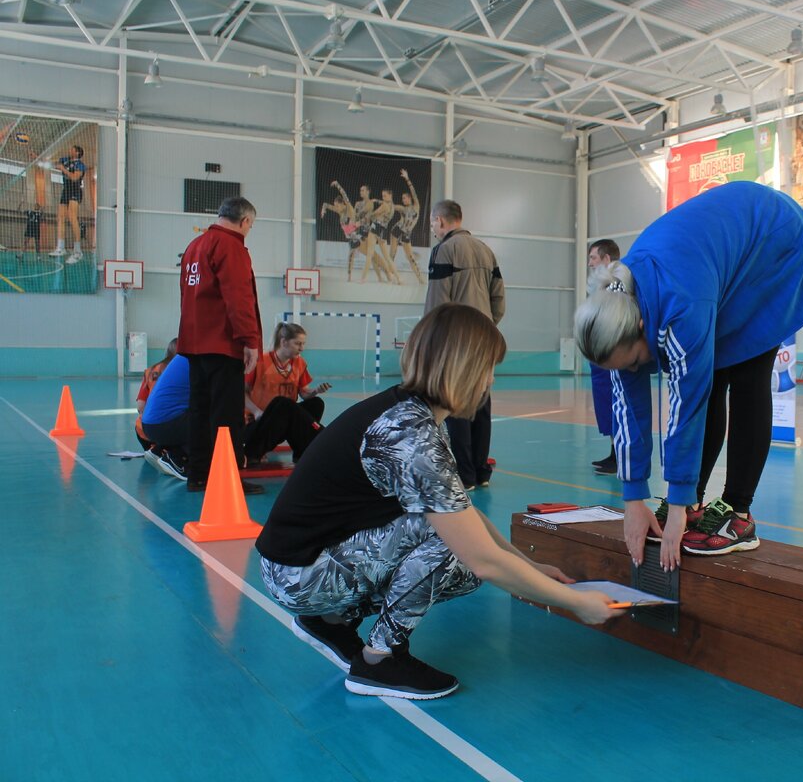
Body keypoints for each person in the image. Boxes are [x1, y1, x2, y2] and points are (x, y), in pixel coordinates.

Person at [256, 303, 619, 700]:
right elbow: (481, 556)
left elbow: (467, 515)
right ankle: (379, 659)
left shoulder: (413, 415)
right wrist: (576, 604)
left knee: (459, 553)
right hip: (298, 575)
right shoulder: (410, 435)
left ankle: (330, 619)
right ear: (463, 369)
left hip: (306, 559)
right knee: (457, 551)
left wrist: (531, 566)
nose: (490, 382)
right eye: (487, 369)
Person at [574, 182, 803, 572]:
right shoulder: (617, 306)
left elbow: (687, 404)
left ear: (642, 325)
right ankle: (694, 499)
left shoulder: (681, 305)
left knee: (746, 371)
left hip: (773, 242)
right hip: (717, 254)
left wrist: (675, 505)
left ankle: (739, 510)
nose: (634, 372)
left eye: (634, 363)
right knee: (712, 376)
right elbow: (627, 406)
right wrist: (633, 499)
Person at [178, 196, 265, 496]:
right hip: (223, 344)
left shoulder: (194, 247)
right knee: (227, 416)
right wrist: (249, 340)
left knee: (200, 411)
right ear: (244, 221)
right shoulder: (231, 247)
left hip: (193, 342)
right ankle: (228, 479)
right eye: (250, 225)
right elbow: (239, 298)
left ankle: (198, 474)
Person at [424, 199, 505, 490]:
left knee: (456, 405)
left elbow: (437, 301)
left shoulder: (444, 250)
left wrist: (431, 339)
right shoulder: (486, 251)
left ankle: (464, 475)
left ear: (441, 221)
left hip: (456, 340)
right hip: (484, 338)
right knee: (481, 404)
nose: (433, 228)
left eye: (433, 223)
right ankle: (482, 471)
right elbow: (499, 298)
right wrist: (487, 325)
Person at [243, 322, 332, 465]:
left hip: (280, 422)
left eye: (303, 344)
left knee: (316, 403)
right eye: (298, 344)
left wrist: (316, 391)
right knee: (283, 403)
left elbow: (304, 394)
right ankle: (253, 452)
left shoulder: (300, 363)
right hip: (257, 423)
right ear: (284, 342)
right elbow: (241, 393)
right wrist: (257, 411)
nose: (302, 348)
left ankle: (302, 450)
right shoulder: (260, 361)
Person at [585, 239, 621, 475]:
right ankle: (614, 452)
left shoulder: (618, 283)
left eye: (593, 258)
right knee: (606, 404)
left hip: (613, 353)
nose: (590, 263)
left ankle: (622, 455)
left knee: (617, 404)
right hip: (600, 354)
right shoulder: (600, 285)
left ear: (607, 259)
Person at [140, 353, 192, 481]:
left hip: (146, 424)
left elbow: (140, 406)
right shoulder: (201, 358)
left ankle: (159, 449)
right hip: (164, 425)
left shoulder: (181, 359)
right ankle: (176, 457)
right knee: (213, 420)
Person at [134, 338, 177, 451]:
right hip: (173, 428)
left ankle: (154, 449)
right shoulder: (184, 371)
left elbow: (140, 406)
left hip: (145, 429)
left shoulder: (150, 371)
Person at [50, 145, 86, 264]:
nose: (69, 150)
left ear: (77, 152)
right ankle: (61, 248)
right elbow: (52, 163)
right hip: (66, 190)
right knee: (60, 217)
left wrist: (63, 169)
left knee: (72, 217)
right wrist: (36, 157)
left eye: (72, 149)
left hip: (75, 189)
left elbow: (75, 178)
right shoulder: (64, 160)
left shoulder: (80, 165)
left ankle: (77, 251)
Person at [388, 169, 425, 283]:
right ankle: (390, 275)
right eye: (402, 198)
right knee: (392, 254)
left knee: (411, 258)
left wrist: (407, 179)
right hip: (397, 230)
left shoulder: (416, 207)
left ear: (410, 198)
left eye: (405, 198)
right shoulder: (403, 209)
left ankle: (420, 279)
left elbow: (413, 192)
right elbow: (392, 207)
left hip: (406, 234)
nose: (403, 200)